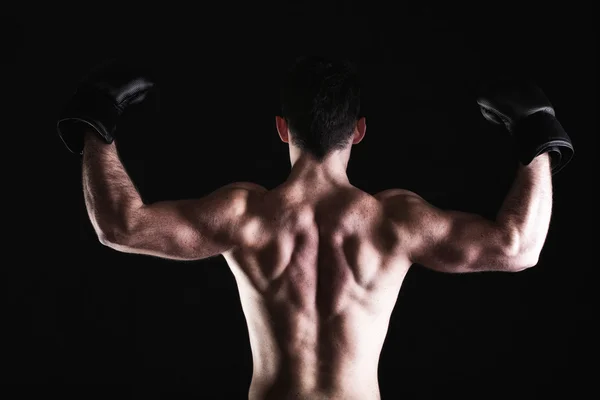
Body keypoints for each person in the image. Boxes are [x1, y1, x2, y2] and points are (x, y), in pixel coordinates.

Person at [57, 56, 574, 400]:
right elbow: (518, 246)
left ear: (283, 128)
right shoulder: (394, 223)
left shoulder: (247, 216)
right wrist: (538, 136)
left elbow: (121, 226)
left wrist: (95, 124)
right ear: (359, 131)